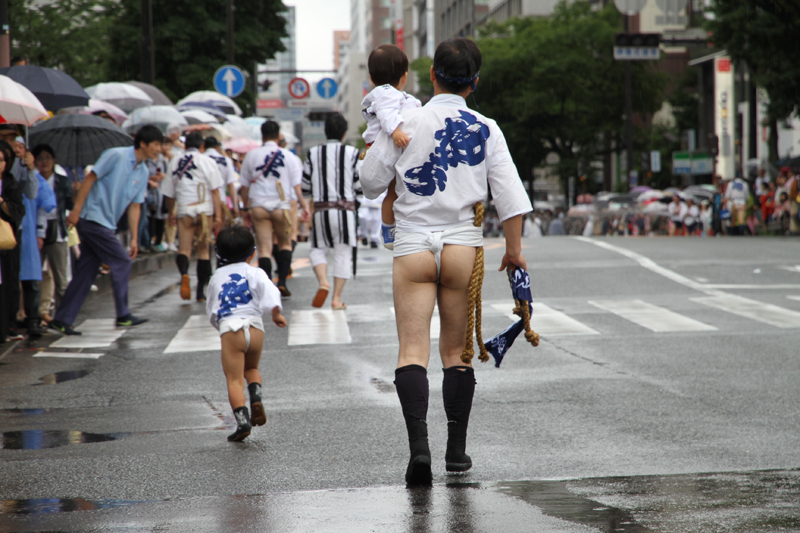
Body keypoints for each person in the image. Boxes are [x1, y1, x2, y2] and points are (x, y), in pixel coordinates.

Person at [361, 38, 532, 485]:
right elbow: (511, 199)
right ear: (474, 83)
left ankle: (419, 450)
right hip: (462, 247)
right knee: (457, 352)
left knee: (411, 351)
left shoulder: (406, 120)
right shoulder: (486, 127)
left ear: (432, 75)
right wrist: (514, 253)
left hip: (413, 244)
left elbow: (369, 182)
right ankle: (456, 451)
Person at [49, 125, 163, 336]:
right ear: (143, 143)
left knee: (87, 270)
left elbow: (135, 206)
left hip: (107, 223)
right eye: (156, 144)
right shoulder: (116, 155)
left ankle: (61, 319)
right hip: (92, 218)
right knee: (122, 261)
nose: (159, 149)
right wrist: (76, 210)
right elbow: (90, 178)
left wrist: (135, 239)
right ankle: (123, 314)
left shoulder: (143, 171)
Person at [206, 226, 286, 441]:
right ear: (253, 253)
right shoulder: (256, 272)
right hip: (255, 327)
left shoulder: (216, 277)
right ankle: (256, 397)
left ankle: (242, 422)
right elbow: (271, 293)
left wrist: (220, 327)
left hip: (231, 329)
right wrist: (276, 314)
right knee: (252, 368)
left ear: (218, 254)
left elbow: (212, 309)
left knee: (234, 380)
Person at [361, 44, 422, 250]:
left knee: (395, 191)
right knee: (394, 191)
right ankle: (388, 229)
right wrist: (395, 132)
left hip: (389, 147)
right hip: (388, 145)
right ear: (404, 77)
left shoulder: (393, 95)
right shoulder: (387, 93)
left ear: (371, 77)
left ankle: (391, 227)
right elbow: (387, 115)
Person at [239, 121, 309, 297]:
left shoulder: (251, 156)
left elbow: (244, 187)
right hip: (281, 206)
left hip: (259, 206)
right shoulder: (289, 156)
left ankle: (268, 287)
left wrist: (245, 209)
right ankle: (282, 282)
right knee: (285, 243)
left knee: (264, 248)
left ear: (262, 136)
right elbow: (297, 187)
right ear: (278, 136)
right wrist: (304, 205)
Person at [302, 113, 361, 309]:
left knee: (318, 249)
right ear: (344, 133)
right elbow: (359, 186)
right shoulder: (352, 153)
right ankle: (336, 298)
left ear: (325, 132)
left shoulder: (313, 153)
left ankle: (323, 282)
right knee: (343, 253)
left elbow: (305, 187)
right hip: (345, 211)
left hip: (321, 211)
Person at [162, 131, 224, 302]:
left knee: (184, 249)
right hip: (204, 209)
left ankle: (184, 274)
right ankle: (200, 292)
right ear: (202, 146)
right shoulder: (207, 161)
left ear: (185, 145)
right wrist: (219, 217)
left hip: (184, 209)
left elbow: (169, 193)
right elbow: (215, 191)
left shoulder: (175, 161)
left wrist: (171, 212)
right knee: (204, 250)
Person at [18, 144, 56, 338]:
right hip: (11, 230)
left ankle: (33, 318)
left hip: (29, 231)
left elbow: (40, 203)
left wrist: (40, 232)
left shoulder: (32, 175)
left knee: (32, 277)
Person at [33, 144, 74, 323]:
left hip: (57, 230)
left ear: (54, 160)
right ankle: (34, 316)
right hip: (36, 230)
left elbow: (70, 204)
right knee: (35, 276)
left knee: (61, 278)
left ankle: (63, 318)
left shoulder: (62, 181)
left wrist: (77, 191)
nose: (44, 162)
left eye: (48, 158)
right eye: (40, 158)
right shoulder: (32, 180)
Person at [0, 141, 27, 343]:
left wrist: (1, 201)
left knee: (8, 283)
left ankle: (7, 325)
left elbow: (17, 212)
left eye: (1, 160)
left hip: (6, 242)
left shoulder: (11, 184)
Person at [202, 136, 240, 220]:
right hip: (221, 200)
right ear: (217, 147)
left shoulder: (199, 159)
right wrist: (235, 206)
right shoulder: (226, 160)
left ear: (203, 146)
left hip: (203, 200)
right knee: (220, 227)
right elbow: (230, 185)